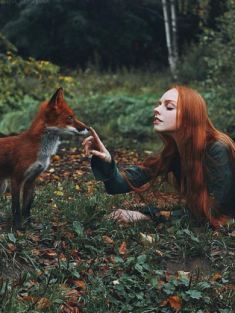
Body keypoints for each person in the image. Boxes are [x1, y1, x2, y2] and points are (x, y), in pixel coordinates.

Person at [82, 86, 235, 228]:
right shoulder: (174, 152)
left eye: (169, 107)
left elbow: (214, 211)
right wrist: (106, 161)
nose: (156, 109)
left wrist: (148, 216)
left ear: (190, 116)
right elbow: (118, 185)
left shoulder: (217, 148)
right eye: (159, 104)